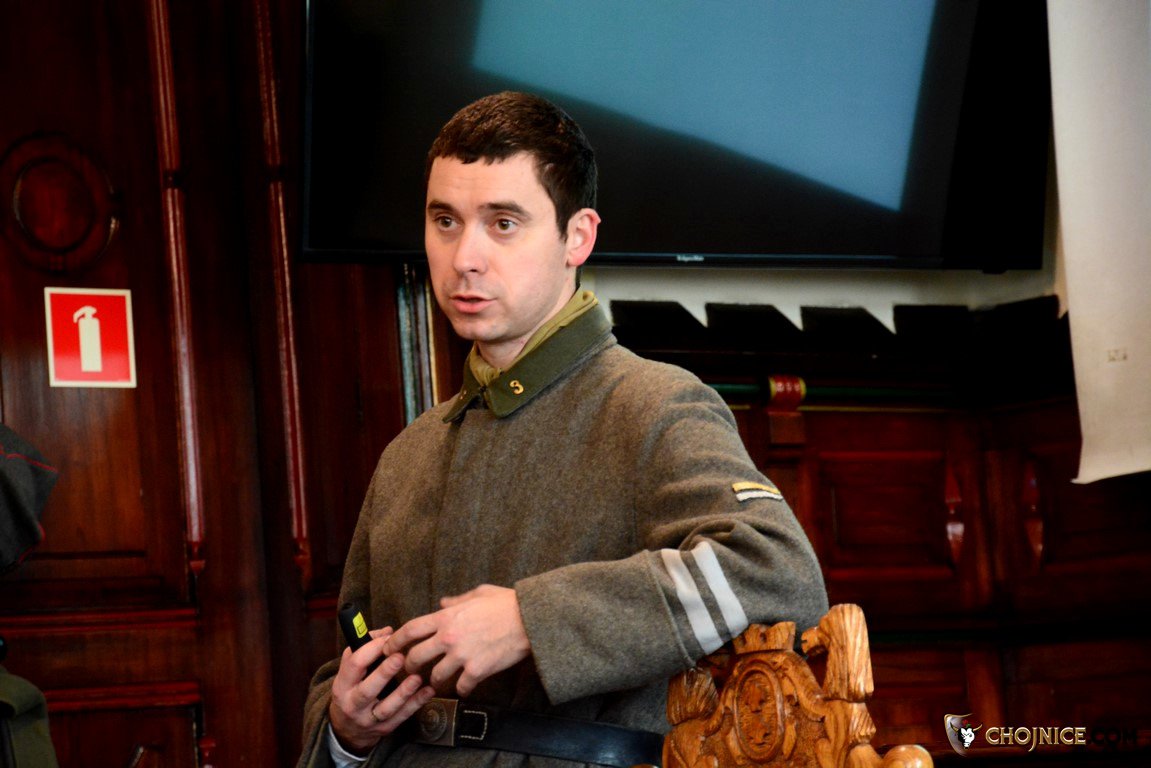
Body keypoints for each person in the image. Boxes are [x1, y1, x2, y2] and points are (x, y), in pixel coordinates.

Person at [297, 91, 827, 768]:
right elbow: (348, 662)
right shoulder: (408, 452)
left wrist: (531, 620)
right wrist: (344, 729)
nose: (465, 257)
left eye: (503, 223)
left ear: (577, 236)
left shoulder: (651, 404)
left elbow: (779, 574)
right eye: (445, 221)